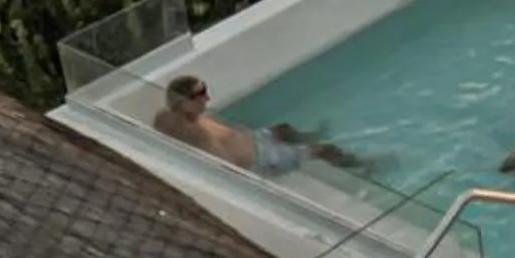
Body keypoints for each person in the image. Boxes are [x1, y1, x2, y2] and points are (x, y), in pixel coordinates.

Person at [154, 74, 364, 177]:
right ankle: (368, 165)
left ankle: (311, 135)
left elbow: (161, 128)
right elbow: (228, 170)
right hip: (264, 159)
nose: (207, 98)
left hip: (256, 140)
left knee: (283, 128)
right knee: (324, 150)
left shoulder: (169, 117)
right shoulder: (197, 134)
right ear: (184, 103)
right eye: (200, 95)